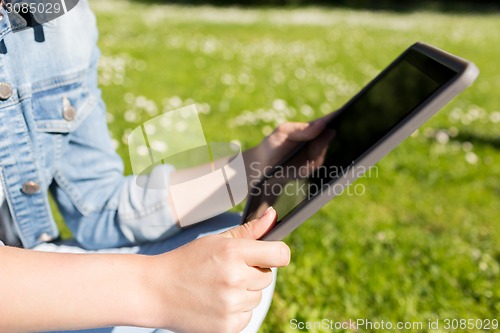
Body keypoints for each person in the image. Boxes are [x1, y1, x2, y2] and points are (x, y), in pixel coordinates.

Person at [0, 1, 328, 332]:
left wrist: (250, 168)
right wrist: (157, 288)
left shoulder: (63, 19)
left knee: (230, 250)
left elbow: (98, 205)